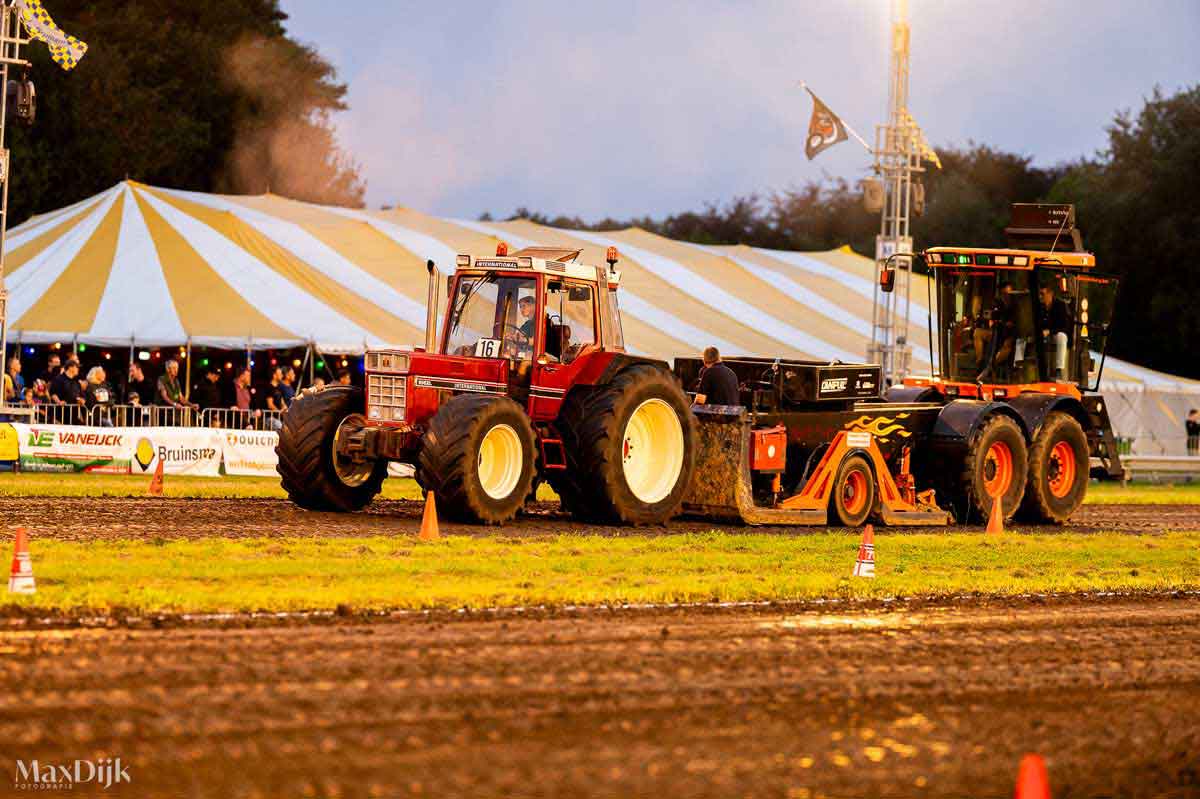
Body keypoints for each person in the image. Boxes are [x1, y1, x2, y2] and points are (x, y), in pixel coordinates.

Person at [1038, 284, 1073, 382]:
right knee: (1022, 338)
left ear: (1050, 294)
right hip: (1042, 335)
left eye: (1042, 294)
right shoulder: (1039, 307)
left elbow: (1064, 327)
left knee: (1062, 337)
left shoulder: (1060, 305)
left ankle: (1059, 369)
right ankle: (1018, 366)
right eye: (1040, 294)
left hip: (1054, 334)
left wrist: (1050, 331)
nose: (1041, 297)